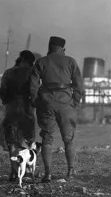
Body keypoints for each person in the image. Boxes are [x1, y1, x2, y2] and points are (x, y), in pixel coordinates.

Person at [29, 36, 84, 183]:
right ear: (63, 49)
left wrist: (36, 102)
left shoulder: (41, 62)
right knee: (69, 139)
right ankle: (70, 171)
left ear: (49, 47)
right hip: (66, 103)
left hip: (47, 103)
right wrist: (75, 102)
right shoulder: (70, 61)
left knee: (47, 138)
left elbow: (33, 85)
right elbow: (79, 85)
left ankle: (48, 173)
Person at [0, 50, 37, 181]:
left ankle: (14, 171)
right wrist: (34, 103)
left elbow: (2, 92)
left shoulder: (8, 73)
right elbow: (34, 90)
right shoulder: (33, 72)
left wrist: (7, 102)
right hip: (27, 109)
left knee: (12, 142)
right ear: (31, 61)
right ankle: (25, 170)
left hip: (11, 109)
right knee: (27, 139)